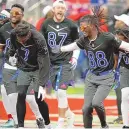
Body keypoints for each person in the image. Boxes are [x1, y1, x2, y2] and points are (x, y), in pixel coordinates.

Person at [54, 6, 129, 128]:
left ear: (92, 26)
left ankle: (104, 125)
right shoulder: (84, 39)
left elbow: (127, 46)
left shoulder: (107, 37)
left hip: (106, 77)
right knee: (86, 108)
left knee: (97, 103)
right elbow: (74, 46)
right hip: (91, 76)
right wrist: (61, 49)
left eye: (83, 26)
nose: (81, 29)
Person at [0, 4, 49, 128]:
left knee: (34, 98)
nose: (14, 15)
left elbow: (43, 59)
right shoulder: (8, 31)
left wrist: (43, 83)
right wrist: (11, 55)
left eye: (17, 13)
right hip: (16, 67)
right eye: (12, 13)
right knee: (14, 94)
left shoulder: (35, 34)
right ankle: (17, 123)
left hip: (32, 68)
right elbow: (6, 47)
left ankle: (43, 120)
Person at [41, 0, 79, 128]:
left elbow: (78, 44)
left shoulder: (71, 25)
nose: (60, 10)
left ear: (65, 10)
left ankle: (60, 123)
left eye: (63, 8)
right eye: (58, 7)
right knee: (58, 94)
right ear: (53, 9)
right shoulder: (46, 23)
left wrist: (75, 58)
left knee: (62, 93)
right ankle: (70, 115)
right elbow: (42, 43)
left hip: (65, 62)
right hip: (51, 63)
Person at [9, 22, 50, 128]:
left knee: (38, 98)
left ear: (28, 34)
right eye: (19, 38)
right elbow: (13, 45)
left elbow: (44, 62)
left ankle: (48, 124)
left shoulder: (39, 39)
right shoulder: (14, 34)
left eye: (23, 38)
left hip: (37, 69)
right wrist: (11, 54)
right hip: (24, 68)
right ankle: (21, 126)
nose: (21, 41)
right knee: (21, 94)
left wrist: (42, 84)